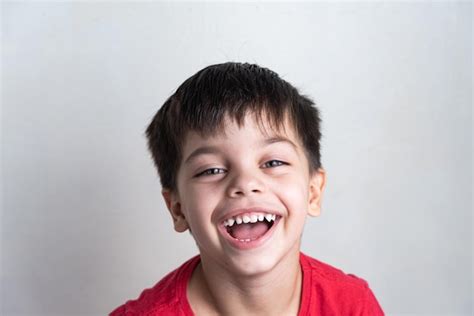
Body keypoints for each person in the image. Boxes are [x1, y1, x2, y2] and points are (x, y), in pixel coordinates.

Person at [110, 62, 385, 315]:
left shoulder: (352, 305)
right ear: (177, 209)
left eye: (273, 162)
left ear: (313, 191)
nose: (245, 183)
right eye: (211, 170)